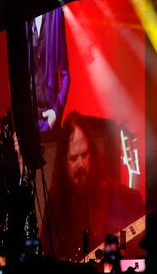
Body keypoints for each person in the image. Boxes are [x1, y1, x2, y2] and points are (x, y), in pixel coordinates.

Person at [41, 111, 144, 260]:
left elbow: (138, 259)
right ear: (63, 161)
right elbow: (46, 251)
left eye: (84, 155)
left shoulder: (125, 199)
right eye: (73, 158)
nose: (80, 164)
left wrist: (116, 258)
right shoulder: (56, 200)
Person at [0, 109, 41, 263]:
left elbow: (27, 200)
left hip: (26, 234)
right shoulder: (8, 174)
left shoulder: (29, 168)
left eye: (17, 134)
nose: (14, 137)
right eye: (12, 133)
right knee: (2, 267)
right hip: (9, 235)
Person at [28, 7, 70, 135]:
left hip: (49, 119)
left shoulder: (55, 16)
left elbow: (65, 74)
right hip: (29, 122)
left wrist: (56, 112)